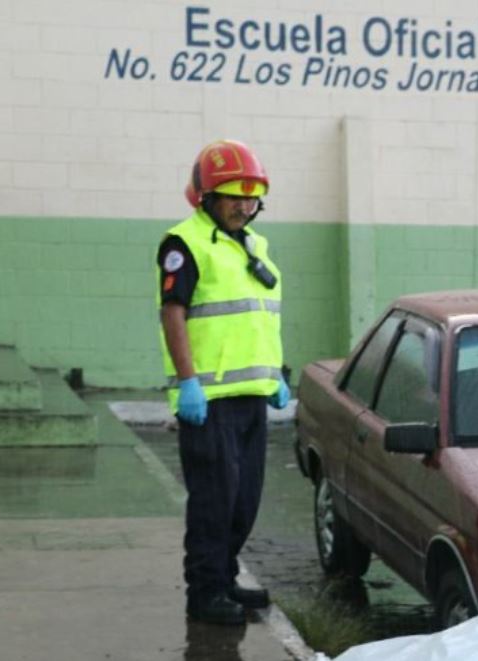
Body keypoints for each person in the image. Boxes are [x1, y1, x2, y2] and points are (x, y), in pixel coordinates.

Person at [156, 139, 290, 625]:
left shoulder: (254, 247)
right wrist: (187, 382)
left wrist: (275, 376)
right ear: (206, 198)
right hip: (208, 401)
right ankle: (205, 592)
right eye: (233, 195)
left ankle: (226, 576)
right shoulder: (184, 243)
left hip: (252, 397)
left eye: (251, 196)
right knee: (214, 503)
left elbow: (257, 320)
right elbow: (174, 313)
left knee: (244, 500)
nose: (243, 205)